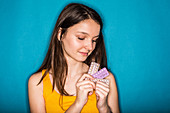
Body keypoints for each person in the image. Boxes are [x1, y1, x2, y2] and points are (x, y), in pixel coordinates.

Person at [28, 3, 120, 113]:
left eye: (94, 40)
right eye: (81, 38)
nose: (90, 47)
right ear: (60, 34)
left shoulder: (106, 79)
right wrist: (78, 103)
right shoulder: (38, 82)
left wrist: (104, 107)